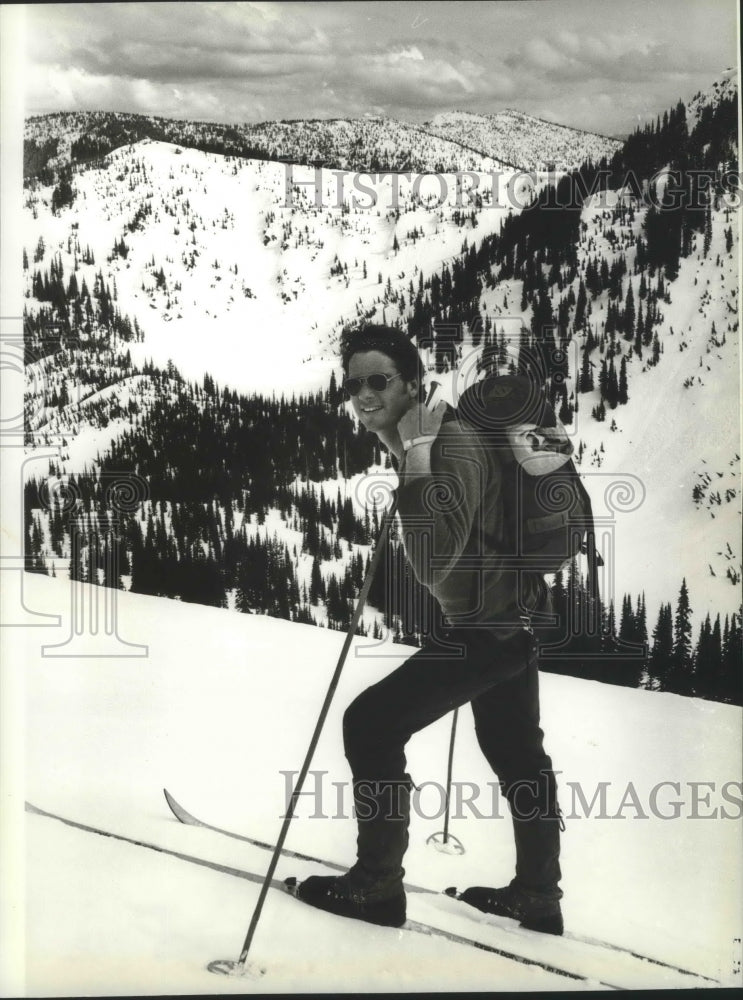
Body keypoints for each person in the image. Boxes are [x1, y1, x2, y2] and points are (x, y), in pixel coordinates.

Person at [292, 324, 564, 935]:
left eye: (379, 380)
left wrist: (416, 460)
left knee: (369, 724)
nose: (364, 394)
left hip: (489, 630)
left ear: (411, 382)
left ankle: (376, 888)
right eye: (354, 382)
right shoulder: (429, 435)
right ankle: (539, 898)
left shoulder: (448, 444)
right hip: (514, 619)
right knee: (517, 752)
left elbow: (433, 558)